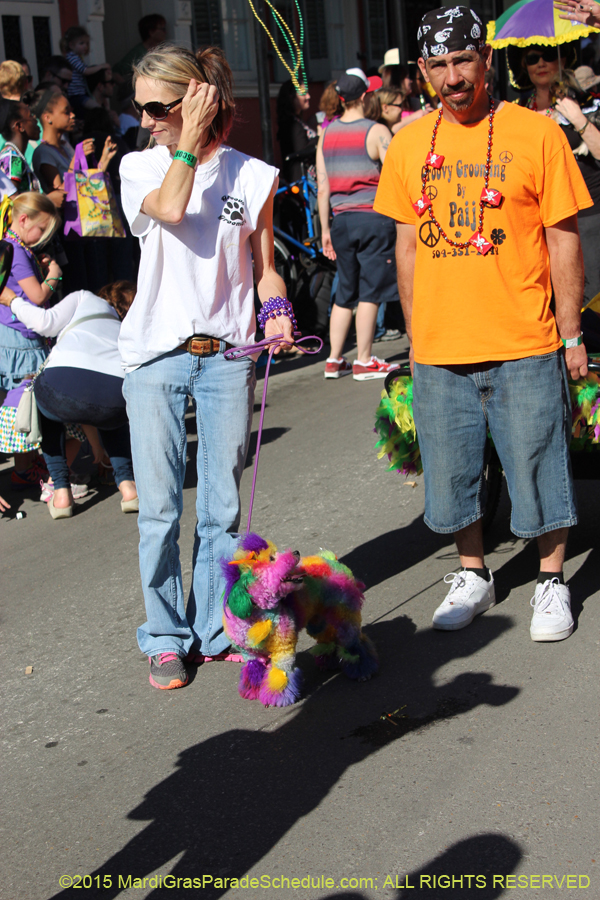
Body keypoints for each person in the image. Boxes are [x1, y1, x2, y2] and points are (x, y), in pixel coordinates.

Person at [374, 6, 592, 642]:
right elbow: (407, 249)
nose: (453, 77)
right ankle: (473, 572)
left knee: (537, 461)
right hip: (442, 346)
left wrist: (572, 335)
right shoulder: (411, 143)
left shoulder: (537, 133)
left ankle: (552, 581)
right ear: (422, 71)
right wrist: (417, 339)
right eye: (438, 66)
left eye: (463, 60)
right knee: (452, 467)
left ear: (487, 59)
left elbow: (563, 240)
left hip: (525, 337)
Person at [118, 43, 293, 690]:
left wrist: (277, 311)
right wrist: (186, 138)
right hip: (156, 356)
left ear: (195, 96)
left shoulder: (252, 175)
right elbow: (168, 208)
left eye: (157, 107)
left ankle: (214, 628)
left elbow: (266, 264)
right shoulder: (142, 167)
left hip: (226, 357)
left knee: (221, 506)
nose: (146, 119)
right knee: (161, 508)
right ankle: (165, 635)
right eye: (139, 108)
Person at [0, 280, 138, 518]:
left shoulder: (85, 298)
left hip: (62, 385)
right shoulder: (129, 328)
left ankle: (61, 492)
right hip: (115, 393)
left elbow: (44, 323)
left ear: (105, 294)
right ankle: (128, 487)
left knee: (48, 409)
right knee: (111, 415)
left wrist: (12, 300)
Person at [316, 68, 400, 381]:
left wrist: (324, 229)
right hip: (373, 219)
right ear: (365, 96)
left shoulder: (327, 133)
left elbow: (323, 186)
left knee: (345, 291)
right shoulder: (377, 131)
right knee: (371, 290)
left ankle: (334, 359)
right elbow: (395, 176)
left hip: (341, 221)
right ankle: (364, 359)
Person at [0, 191, 62, 487]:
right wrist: (53, 273)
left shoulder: (12, 246)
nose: (43, 237)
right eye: (41, 229)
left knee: (21, 397)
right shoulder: (19, 252)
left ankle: (26, 464)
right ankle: (24, 469)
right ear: (23, 219)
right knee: (23, 400)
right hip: (21, 339)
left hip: (11, 333)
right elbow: (37, 297)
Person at [60, 26, 110, 115]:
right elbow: (85, 71)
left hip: (80, 93)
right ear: (71, 45)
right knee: (97, 108)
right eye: (81, 43)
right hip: (76, 95)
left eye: (86, 43)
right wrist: (101, 66)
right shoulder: (72, 57)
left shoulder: (77, 57)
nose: (85, 46)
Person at [276, 80, 319, 183]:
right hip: (303, 182)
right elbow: (301, 150)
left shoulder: (297, 121)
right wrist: (319, 138)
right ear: (292, 97)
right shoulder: (291, 124)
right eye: (303, 93)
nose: (308, 96)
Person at [0, 98, 41, 194]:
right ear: (20, 126)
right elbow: (13, 202)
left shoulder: (15, 155)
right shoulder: (12, 157)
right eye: (30, 116)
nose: (36, 120)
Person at [113, 14, 168, 84]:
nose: (165, 32)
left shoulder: (165, 51)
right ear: (151, 32)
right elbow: (115, 72)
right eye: (163, 29)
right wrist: (128, 89)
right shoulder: (137, 52)